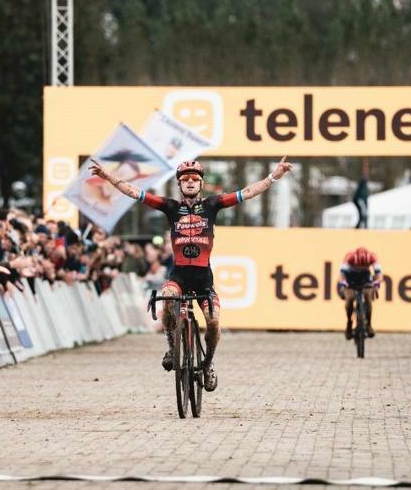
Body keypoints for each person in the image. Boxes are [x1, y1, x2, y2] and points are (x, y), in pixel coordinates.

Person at [90, 156, 293, 392]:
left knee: (214, 322)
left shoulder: (212, 205)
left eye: (194, 179)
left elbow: (246, 192)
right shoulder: (170, 207)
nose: (189, 182)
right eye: (184, 179)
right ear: (179, 185)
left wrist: (273, 176)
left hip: (203, 279)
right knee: (166, 300)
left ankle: (207, 365)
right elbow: (135, 192)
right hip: (179, 276)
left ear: (201, 184)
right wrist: (108, 177)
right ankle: (172, 347)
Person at [338, 246, 383, 339]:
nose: (360, 267)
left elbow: (379, 275)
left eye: (363, 266)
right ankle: (349, 323)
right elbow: (342, 276)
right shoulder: (349, 257)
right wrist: (343, 284)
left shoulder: (372, 257)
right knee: (349, 298)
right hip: (351, 277)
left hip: (365, 277)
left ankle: (369, 325)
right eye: (358, 266)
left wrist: (376, 284)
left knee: (367, 295)